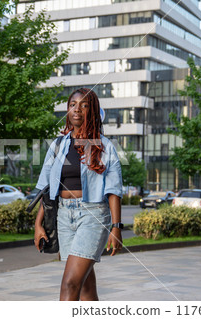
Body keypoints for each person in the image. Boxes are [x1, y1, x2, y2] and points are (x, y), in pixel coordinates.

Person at [34, 88, 123, 301]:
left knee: (70, 283)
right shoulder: (57, 146)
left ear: (92, 111)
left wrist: (116, 227)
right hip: (64, 217)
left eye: (83, 106)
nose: (77, 110)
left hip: (93, 215)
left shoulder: (104, 146)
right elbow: (46, 190)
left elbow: (114, 191)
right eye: (73, 105)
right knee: (86, 287)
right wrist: (38, 225)